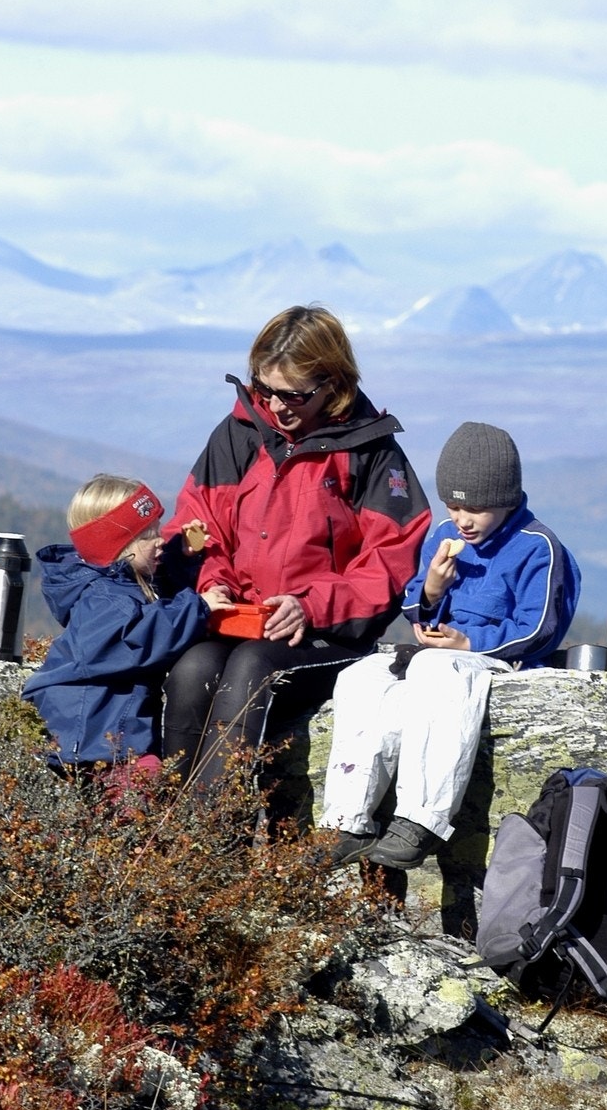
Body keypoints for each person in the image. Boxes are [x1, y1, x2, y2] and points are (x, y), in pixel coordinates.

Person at [162, 305, 431, 800]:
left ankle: (212, 839)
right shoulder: (239, 433)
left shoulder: (371, 451)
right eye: (265, 390)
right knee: (192, 669)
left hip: (329, 637)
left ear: (333, 383)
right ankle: (174, 833)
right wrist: (209, 579)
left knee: (251, 669)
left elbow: (392, 561)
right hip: (238, 619)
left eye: (294, 395)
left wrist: (310, 605)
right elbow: (195, 525)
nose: (277, 406)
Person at [321, 421, 581, 869]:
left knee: (434, 670)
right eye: (454, 505)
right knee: (360, 677)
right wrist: (432, 597)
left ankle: (421, 819)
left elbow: (539, 628)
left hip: (502, 661)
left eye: (475, 509)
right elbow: (414, 604)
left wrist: (469, 642)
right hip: (445, 656)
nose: (463, 519)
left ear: (505, 498)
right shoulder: (445, 535)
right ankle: (346, 820)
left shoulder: (537, 547)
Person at [24, 474, 232, 774]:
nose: (160, 539)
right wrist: (198, 606)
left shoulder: (116, 585)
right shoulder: (104, 600)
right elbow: (137, 639)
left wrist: (183, 554)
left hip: (102, 729)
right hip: (91, 736)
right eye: (149, 535)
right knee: (139, 794)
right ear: (119, 546)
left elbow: (153, 594)